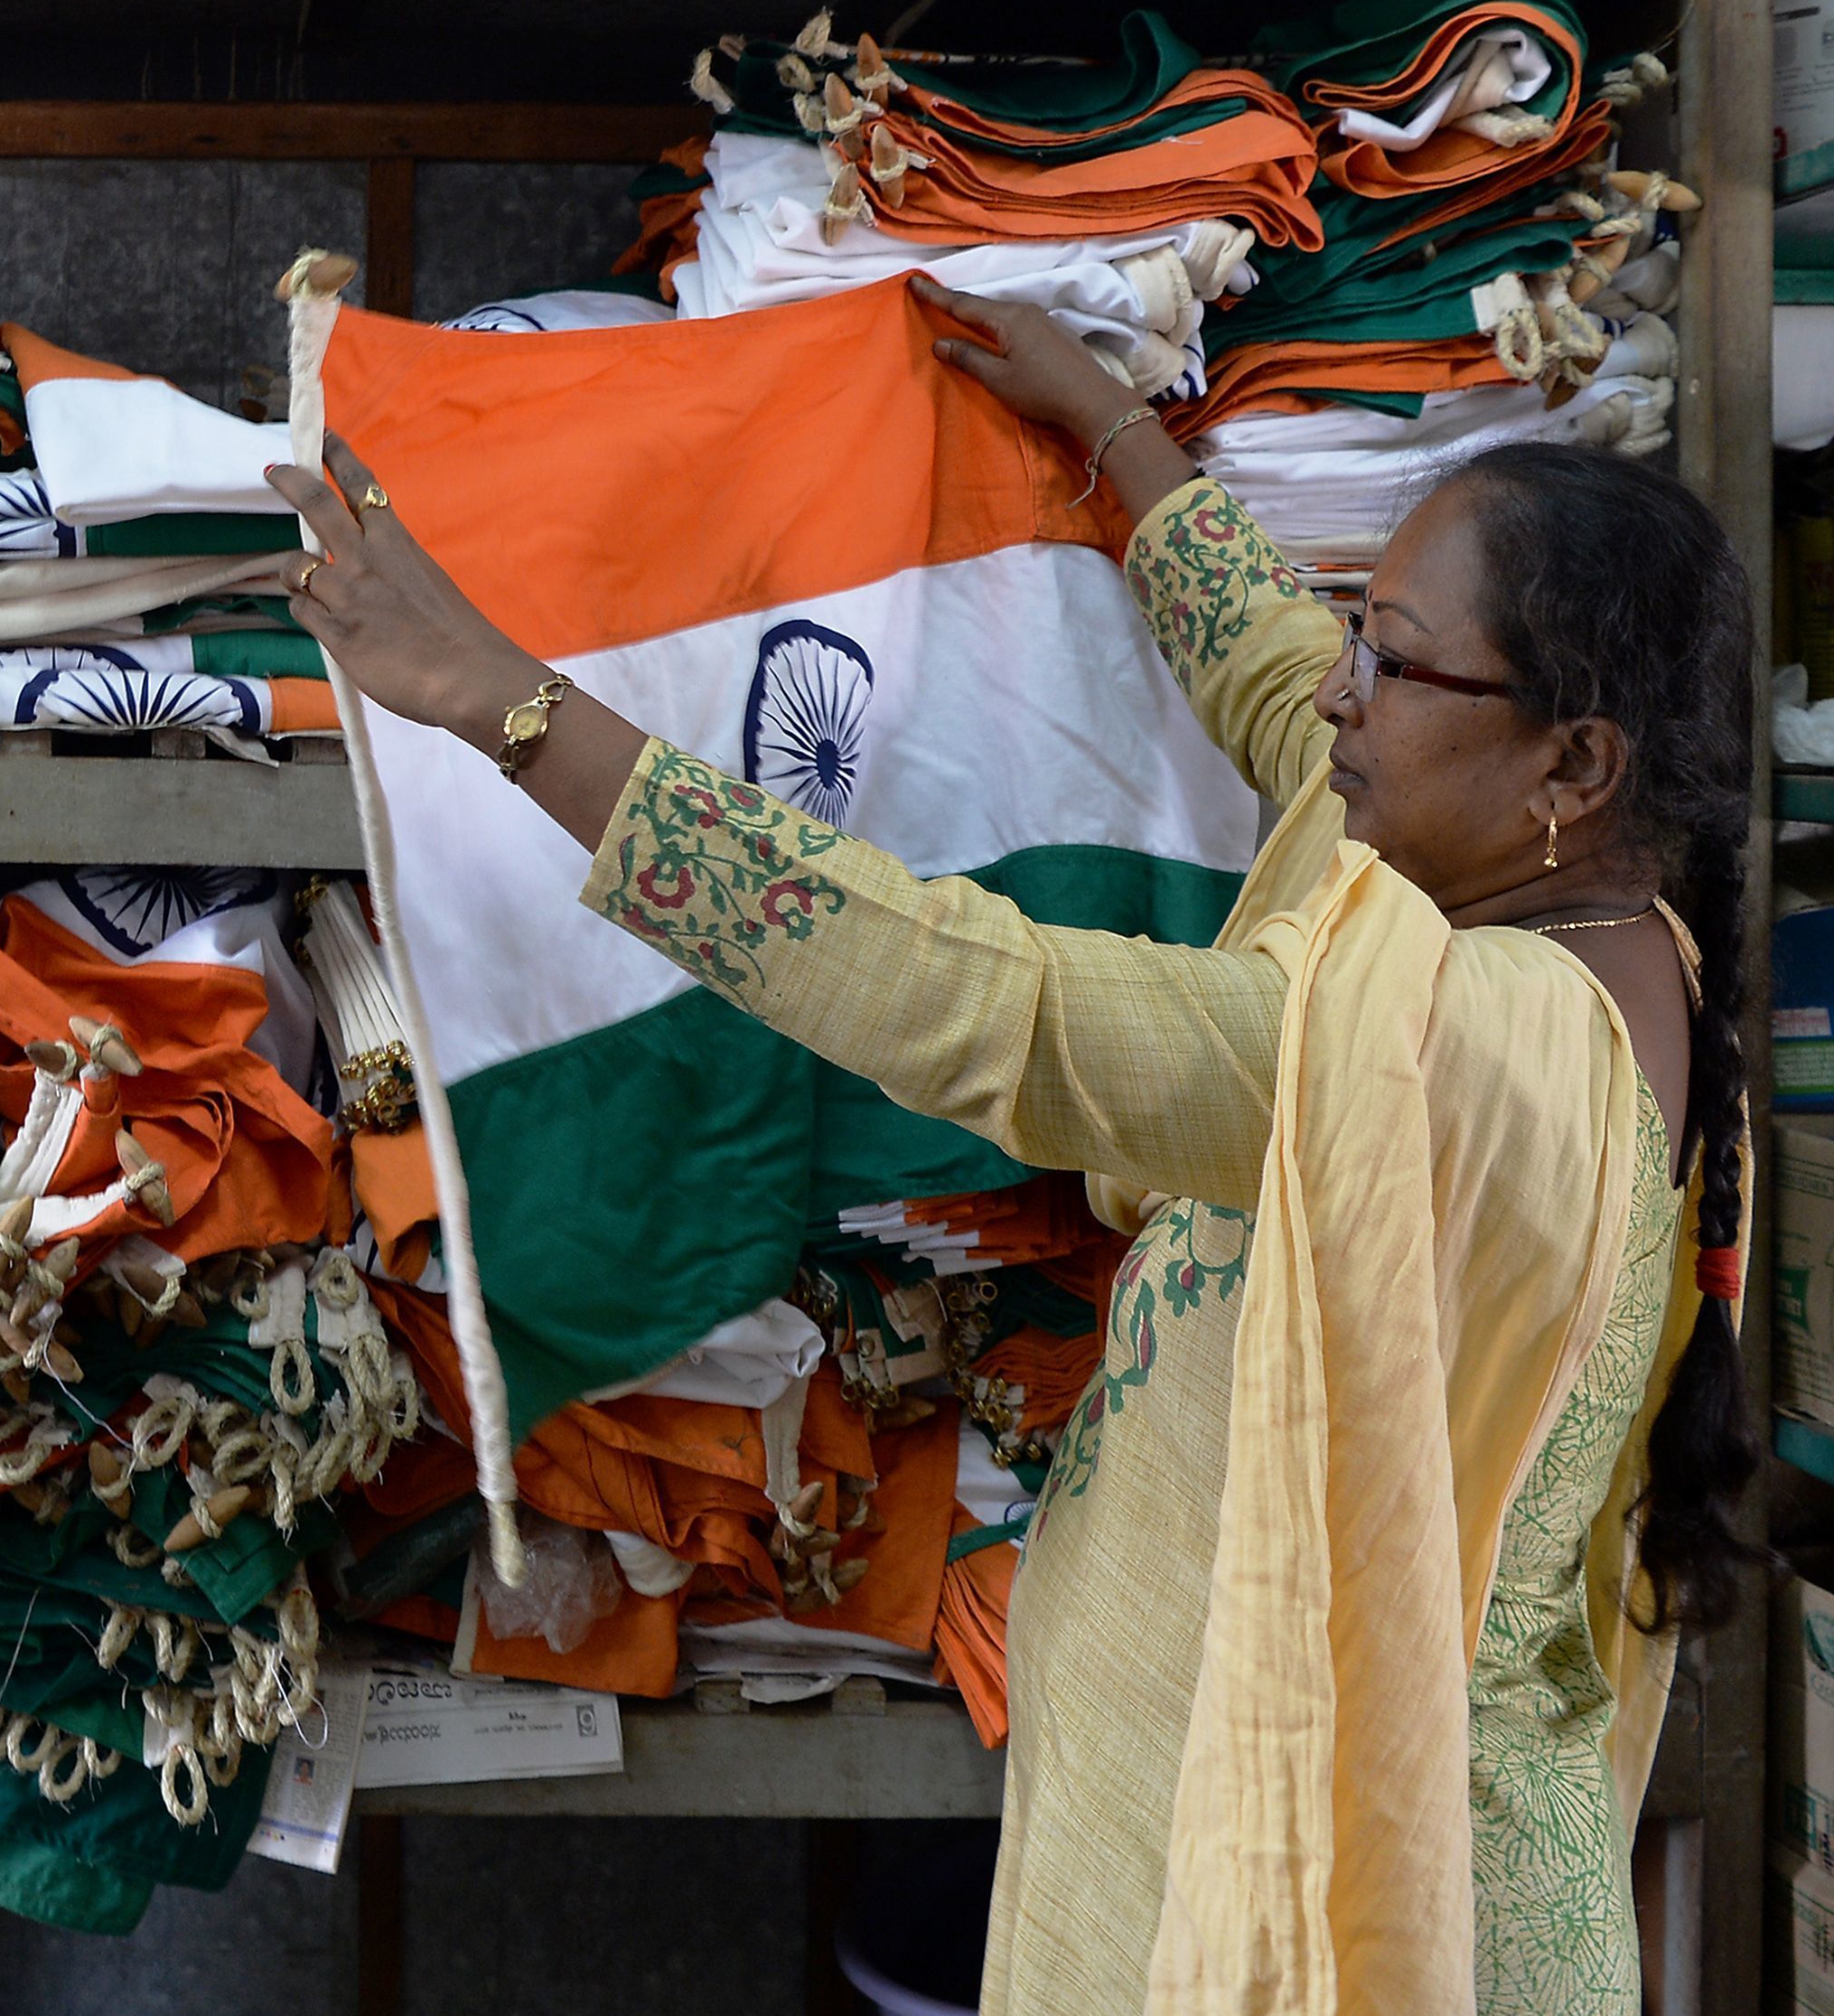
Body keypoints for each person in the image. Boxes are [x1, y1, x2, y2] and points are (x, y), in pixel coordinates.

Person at [266, 275, 1761, 2015]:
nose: (1347, 694)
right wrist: (1116, 432)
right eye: (1361, 632)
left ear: (1569, 763)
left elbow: (992, 1001)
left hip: (1373, 1926)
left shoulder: (1446, 1048)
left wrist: (510, 709)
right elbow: (1285, 689)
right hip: (1235, 1853)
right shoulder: (1514, 902)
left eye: (1395, 656)